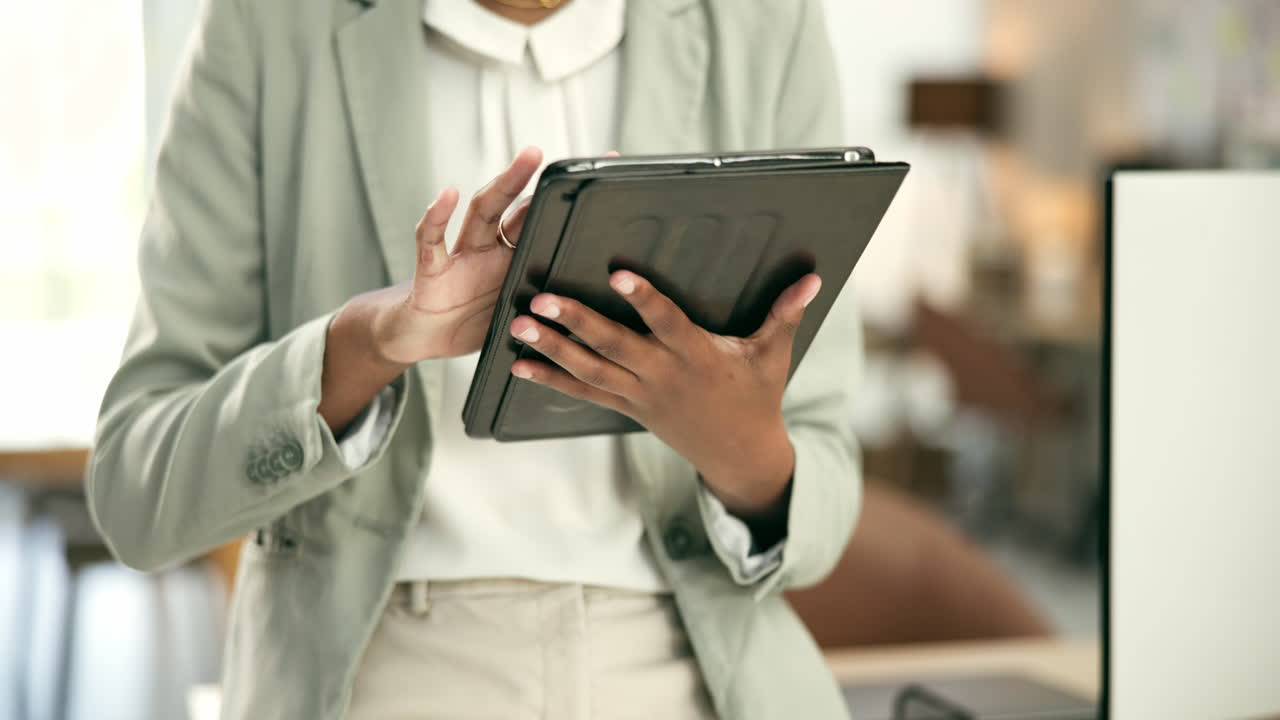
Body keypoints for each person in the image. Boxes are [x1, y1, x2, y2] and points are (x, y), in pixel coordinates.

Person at [88, 0, 865, 718]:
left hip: (694, 664)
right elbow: (136, 498)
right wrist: (364, 346)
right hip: (377, 664)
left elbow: (825, 504)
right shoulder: (266, 27)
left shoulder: (764, 26)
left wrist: (733, 442)